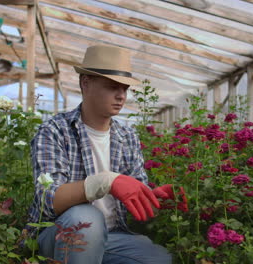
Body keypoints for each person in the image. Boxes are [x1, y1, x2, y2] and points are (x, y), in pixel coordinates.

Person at [27, 45, 185, 264]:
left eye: (125, 88)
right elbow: (48, 200)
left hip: (113, 236)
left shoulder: (127, 135)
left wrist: (152, 197)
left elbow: (134, 190)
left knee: (159, 259)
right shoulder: (55, 130)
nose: (121, 96)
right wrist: (107, 181)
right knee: (87, 218)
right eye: (112, 87)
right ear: (86, 83)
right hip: (59, 234)